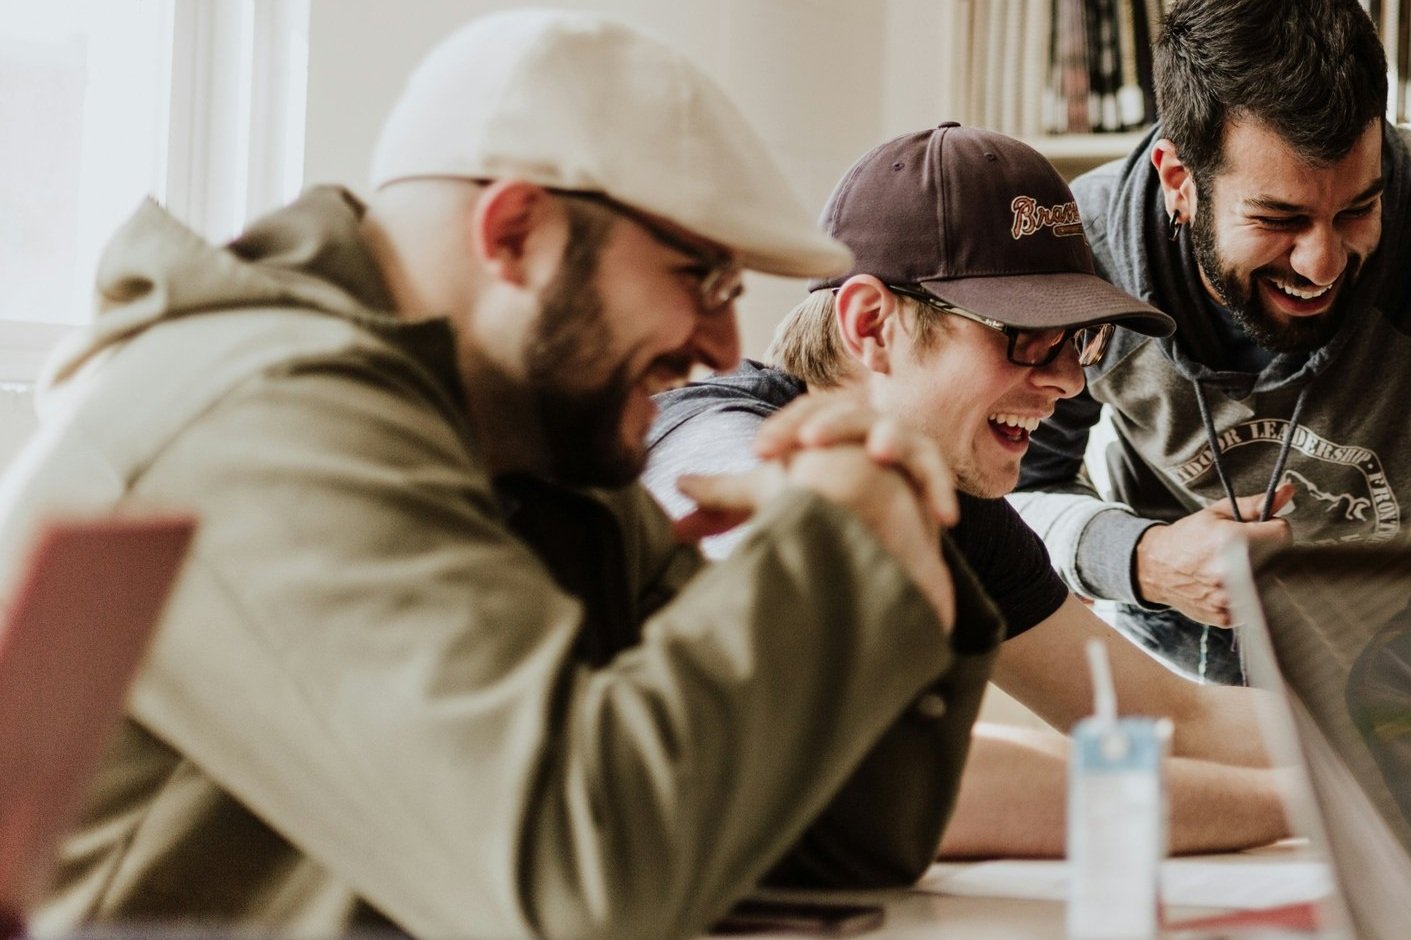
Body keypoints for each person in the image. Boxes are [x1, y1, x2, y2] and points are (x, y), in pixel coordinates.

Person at [0, 12, 1004, 939]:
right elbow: (574, 885)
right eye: (698, 276)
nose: (722, 342)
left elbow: (825, 847)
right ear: (515, 231)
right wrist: (832, 547)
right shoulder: (260, 420)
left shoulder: (535, 448)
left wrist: (895, 552)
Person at [646, 123, 1291, 857]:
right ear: (870, 324)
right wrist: (1313, 806)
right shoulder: (718, 450)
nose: (1069, 382)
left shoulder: (950, 504)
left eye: (1076, 341)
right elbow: (883, 777)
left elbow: (1168, 718)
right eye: (1024, 336)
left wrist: (1382, 747)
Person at [1011, 0, 1411, 684]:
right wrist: (1141, 559)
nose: (1323, 263)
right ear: (1178, 182)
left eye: (1356, 209)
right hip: (1174, 652)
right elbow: (1014, 491)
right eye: (1277, 218)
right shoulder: (1079, 255)